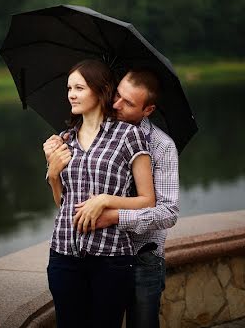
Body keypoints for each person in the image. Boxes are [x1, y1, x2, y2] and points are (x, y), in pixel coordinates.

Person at [44, 68, 179, 328]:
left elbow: (167, 211)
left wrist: (111, 211)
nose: (116, 104)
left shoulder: (160, 145)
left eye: (128, 102)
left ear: (147, 110)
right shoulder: (67, 139)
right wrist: (52, 174)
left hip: (140, 254)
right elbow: (66, 202)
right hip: (72, 253)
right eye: (117, 95)